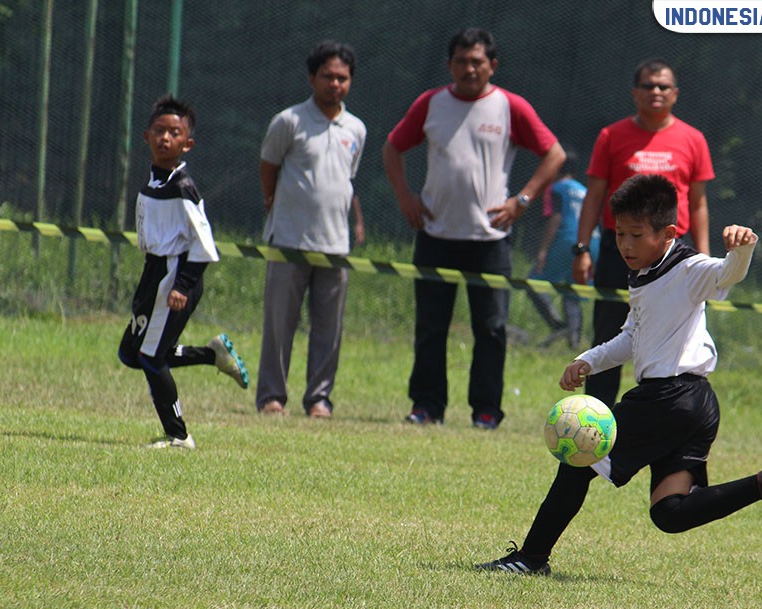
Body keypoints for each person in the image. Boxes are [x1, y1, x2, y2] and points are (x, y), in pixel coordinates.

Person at [478, 174, 762, 576]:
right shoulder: (646, 273)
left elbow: (726, 274)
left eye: (636, 235)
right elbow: (634, 336)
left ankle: (530, 558)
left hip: (669, 398)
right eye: (619, 234)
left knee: (578, 459)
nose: (625, 245)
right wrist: (588, 360)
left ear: (668, 232)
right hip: (696, 403)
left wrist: (743, 248)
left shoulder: (687, 267)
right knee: (670, 513)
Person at [383, 27, 565, 430]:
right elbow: (392, 147)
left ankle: (486, 411)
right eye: (462, 61)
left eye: (477, 62)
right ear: (450, 65)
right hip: (435, 236)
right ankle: (426, 406)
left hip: (490, 242)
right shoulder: (430, 103)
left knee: (492, 329)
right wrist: (404, 197)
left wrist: (523, 200)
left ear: (492, 66)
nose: (469, 69)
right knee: (430, 327)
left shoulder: (510, 106)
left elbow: (554, 153)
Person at [571, 58, 714, 407]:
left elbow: (697, 203)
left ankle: (663, 407)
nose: (655, 92)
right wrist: (581, 248)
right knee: (609, 331)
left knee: (669, 334)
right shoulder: (611, 136)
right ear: (635, 92)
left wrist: (705, 256)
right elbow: (594, 196)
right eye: (648, 85)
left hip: (669, 253)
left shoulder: (692, 139)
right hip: (616, 248)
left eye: (663, 86)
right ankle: (597, 416)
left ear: (675, 94)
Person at [118, 95, 250, 449]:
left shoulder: (182, 188)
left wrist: (183, 285)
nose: (165, 138)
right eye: (159, 130)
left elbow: (204, 245)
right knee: (131, 353)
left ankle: (179, 436)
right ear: (146, 136)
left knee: (150, 357)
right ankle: (212, 355)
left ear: (186, 144)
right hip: (153, 273)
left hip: (173, 277)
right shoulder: (156, 181)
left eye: (174, 133)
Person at [256, 41, 367, 419]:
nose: (335, 84)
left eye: (342, 77)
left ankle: (319, 398)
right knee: (279, 324)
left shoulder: (356, 128)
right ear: (312, 77)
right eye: (327, 76)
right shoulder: (289, 121)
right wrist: (272, 201)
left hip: (335, 244)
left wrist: (355, 224)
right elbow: (268, 164)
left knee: (328, 329)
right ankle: (272, 396)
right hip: (288, 240)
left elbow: (347, 180)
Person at [525, 151, 599, 349]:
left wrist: (542, 251)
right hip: (592, 242)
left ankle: (558, 325)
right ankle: (574, 344)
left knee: (533, 282)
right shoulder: (583, 189)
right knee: (572, 293)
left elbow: (556, 219)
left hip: (568, 240)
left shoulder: (555, 188)